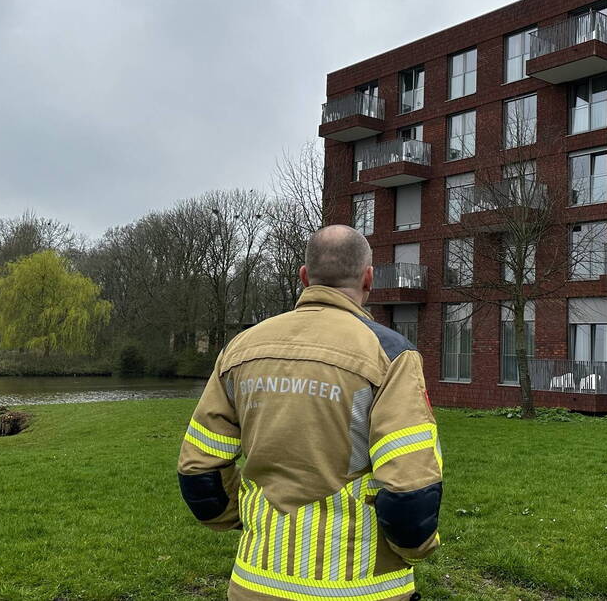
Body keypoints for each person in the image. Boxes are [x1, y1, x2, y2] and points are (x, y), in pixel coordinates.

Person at [177, 225, 442, 601]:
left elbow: (199, 470)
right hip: (363, 586)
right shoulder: (391, 354)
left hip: (256, 581)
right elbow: (409, 488)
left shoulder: (241, 348)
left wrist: (239, 520)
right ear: (368, 279)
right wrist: (417, 548)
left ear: (304, 277)